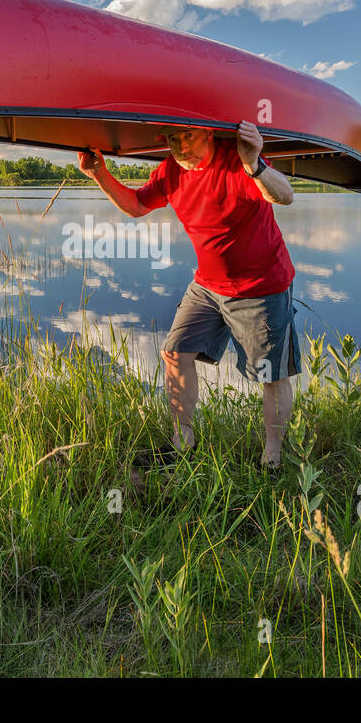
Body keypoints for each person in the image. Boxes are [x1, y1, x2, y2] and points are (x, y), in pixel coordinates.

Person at [77, 120, 299, 473]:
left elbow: (284, 196)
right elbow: (136, 205)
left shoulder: (237, 160)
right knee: (174, 353)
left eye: (189, 135)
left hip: (261, 286)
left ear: (209, 133)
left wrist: (254, 164)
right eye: (173, 138)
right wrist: (100, 174)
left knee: (271, 374)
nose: (181, 145)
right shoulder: (170, 172)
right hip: (208, 286)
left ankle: (272, 458)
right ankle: (183, 444)